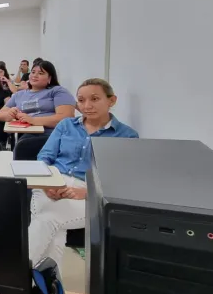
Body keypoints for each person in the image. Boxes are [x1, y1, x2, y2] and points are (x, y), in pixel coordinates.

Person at [29, 79, 139, 268]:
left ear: (111, 100)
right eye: (81, 100)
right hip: (53, 181)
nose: (87, 106)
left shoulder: (126, 136)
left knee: (48, 220)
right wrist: (48, 184)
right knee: (51, 227)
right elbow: (44, 157)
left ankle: (17, 274)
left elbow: (122, 179)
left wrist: (87, 192)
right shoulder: (66, 125)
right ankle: (48, 283)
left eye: (94, 99)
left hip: (89, 191)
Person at [0, 60, 75, 132]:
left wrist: (33, 120)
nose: (35, 75)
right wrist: (9, 114)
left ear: (49, 78)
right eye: (33, 72)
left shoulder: (57, 91)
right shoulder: (19, 94)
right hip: (24, 133)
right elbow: (0, 114)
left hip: (51, 134)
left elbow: (66, 118)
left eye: (40, 73)